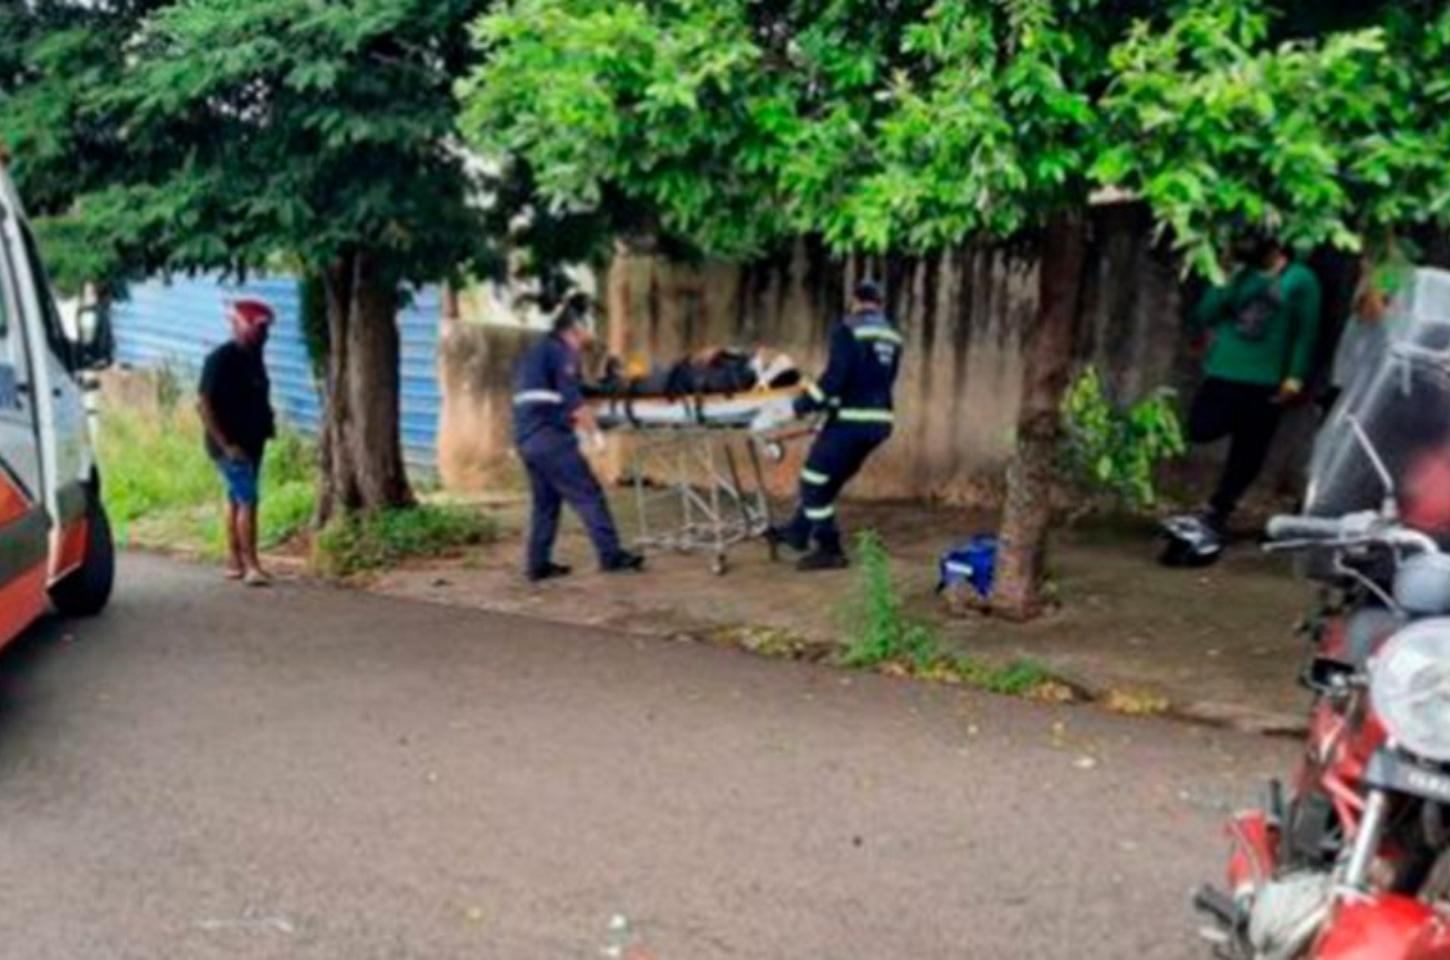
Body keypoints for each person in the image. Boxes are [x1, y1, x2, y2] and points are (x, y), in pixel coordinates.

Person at [1186, 233, 1321, 537]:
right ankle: (1219, 504)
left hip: (1267, 378)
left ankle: (1218, 511)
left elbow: (1305, 331)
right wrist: (1227, 277)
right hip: (1224, 369)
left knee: (1248, 454)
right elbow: (1206, 313)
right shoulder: (1237, 273)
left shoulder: (1301, 279)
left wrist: (1295, 375)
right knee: (1200, 427)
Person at [769, 280, 902, 571]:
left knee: (813, 481)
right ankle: (798, 532)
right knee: (828, 480)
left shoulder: (848, 330)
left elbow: (834, 379)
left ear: (855, 301)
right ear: (879, 303)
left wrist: (796, 407)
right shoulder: (892, 337)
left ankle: (830, 549)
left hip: (850, 422)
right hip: (878, 424)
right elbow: (872, 381)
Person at [513, 293, 644, 582]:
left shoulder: (537, 351)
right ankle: (611, 556)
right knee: (589, 495)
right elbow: (575, 403)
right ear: (575, 328)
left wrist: (603, 387)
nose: (590, 335)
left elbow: (566, 391)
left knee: (546, 503)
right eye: (587, 327)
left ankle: (538, 564)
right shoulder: (562, 353)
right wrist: (595, 436)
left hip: (526, 439)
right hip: (550, 439)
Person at [198, 299, 277, 586]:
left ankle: (235, 561)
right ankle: (252, 564)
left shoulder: (254, 356)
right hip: (230, 445)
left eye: (266, 330)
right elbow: (204, 404)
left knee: (236, 499)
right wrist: (226, 444)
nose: (264, 335)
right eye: (258, 329)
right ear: (241, 327)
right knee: (248, 500)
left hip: (252, 441)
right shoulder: (221, 359)